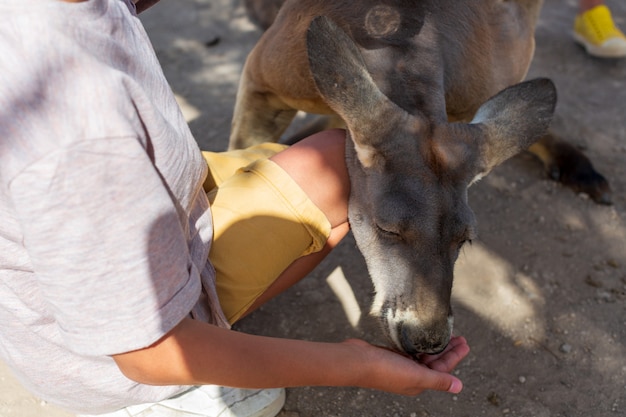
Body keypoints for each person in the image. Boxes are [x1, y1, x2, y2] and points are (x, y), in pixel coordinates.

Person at [0, 0, 470, 416]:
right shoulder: (86, 133)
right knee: (342, 180)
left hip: (132, 219)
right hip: (104, 360)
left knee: (331, 160)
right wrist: (356, 366)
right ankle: (162, 399)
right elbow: (146, 351)